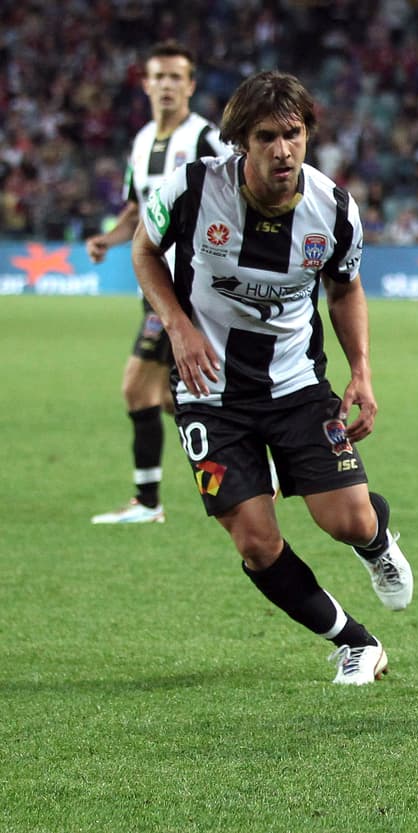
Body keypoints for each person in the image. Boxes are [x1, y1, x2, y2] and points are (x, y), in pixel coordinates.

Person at [130, 70, 413, 684]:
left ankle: (376, 540)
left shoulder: (334, 207)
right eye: (266, 137)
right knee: (255, 542)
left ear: (308, 135)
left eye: (294, 134)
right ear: (241, 142)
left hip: (295, 385)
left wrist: (361, 371)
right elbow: (144, 250)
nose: (282, 149)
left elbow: (345, 289)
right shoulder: (193, 189)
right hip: (208, 392)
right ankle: (355, 642)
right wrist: (177, 326)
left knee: (347, 521)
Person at [89, 42, 233, 524]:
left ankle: (147, 503)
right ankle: (251, 454)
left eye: (177, 77)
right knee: (178, 394)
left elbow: (240, 186)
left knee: (136, 387)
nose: (167, 85)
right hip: (151, 282)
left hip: (185, 286)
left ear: (190, 85)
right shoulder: (141, 139)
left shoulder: (206, 138)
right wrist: (108, 240)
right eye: (159, 77)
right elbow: (137, 205)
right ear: (146, 83)